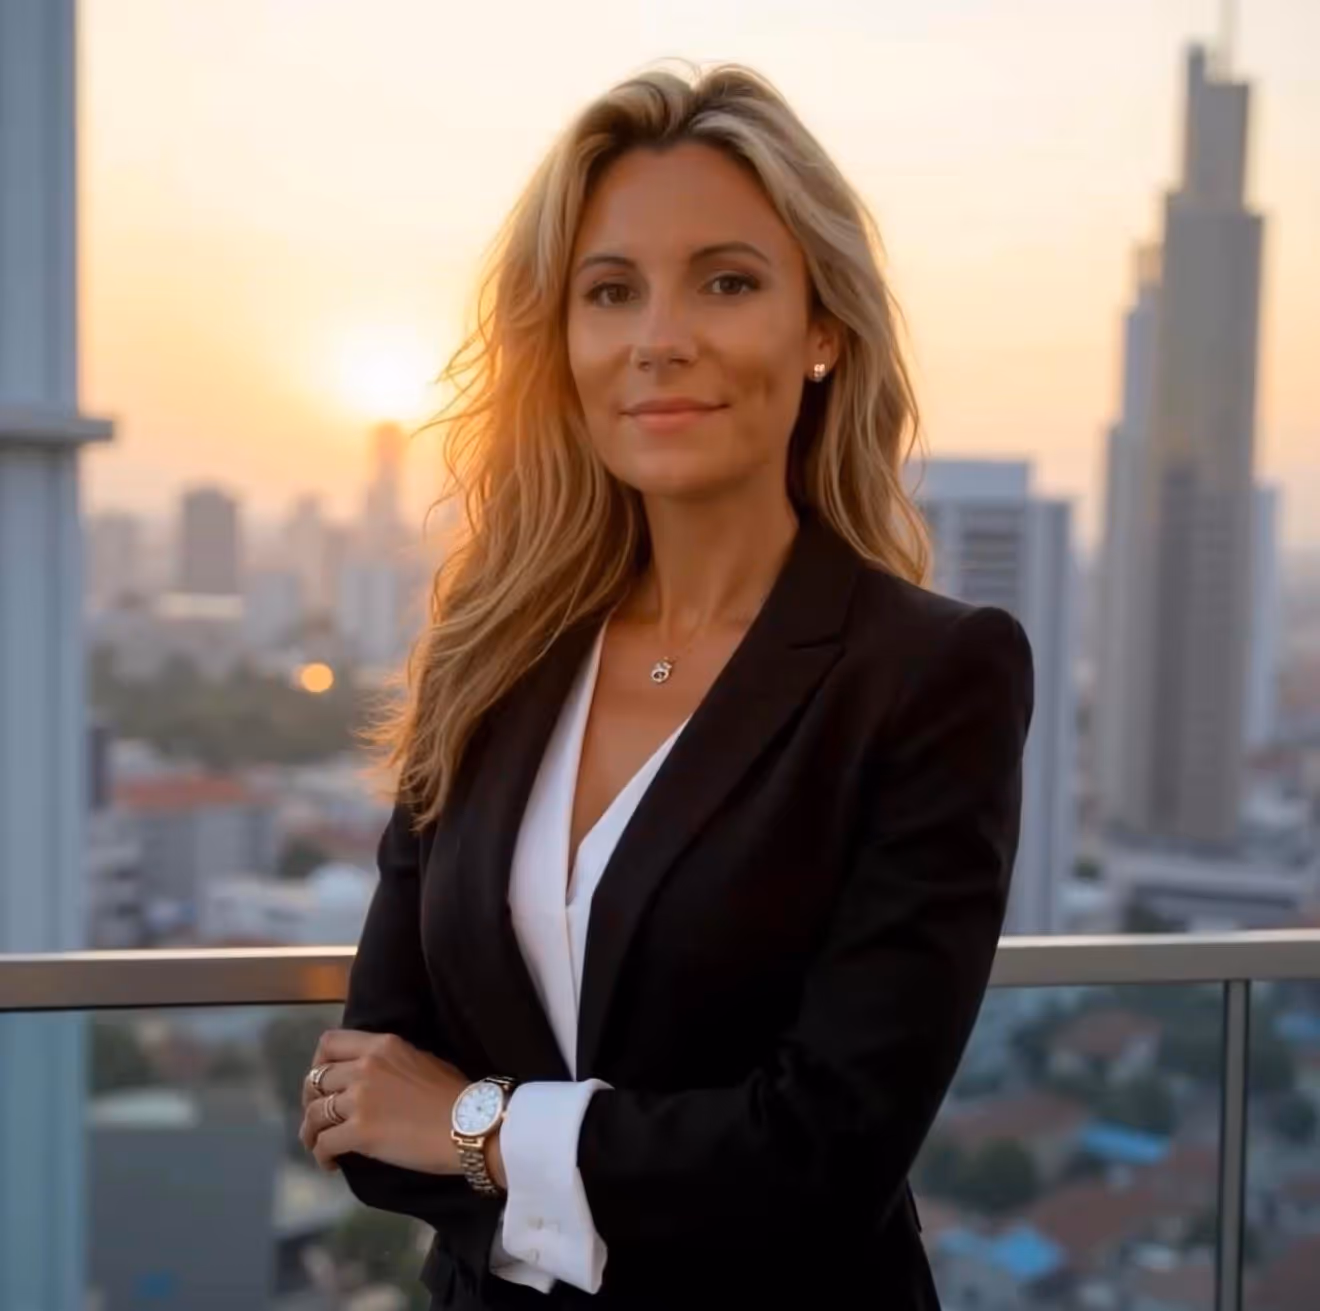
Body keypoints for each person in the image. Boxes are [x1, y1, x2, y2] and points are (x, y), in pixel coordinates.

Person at [298, 62, 1034, 1310]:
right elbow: (367, 1106)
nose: (660, 338)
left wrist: (478, 1130)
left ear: (822, 331)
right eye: (611, 292)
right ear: (566, 342)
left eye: (728, 281)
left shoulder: (927, 677)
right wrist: (588, 1168)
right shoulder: (491, 653)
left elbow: (821, 1156)